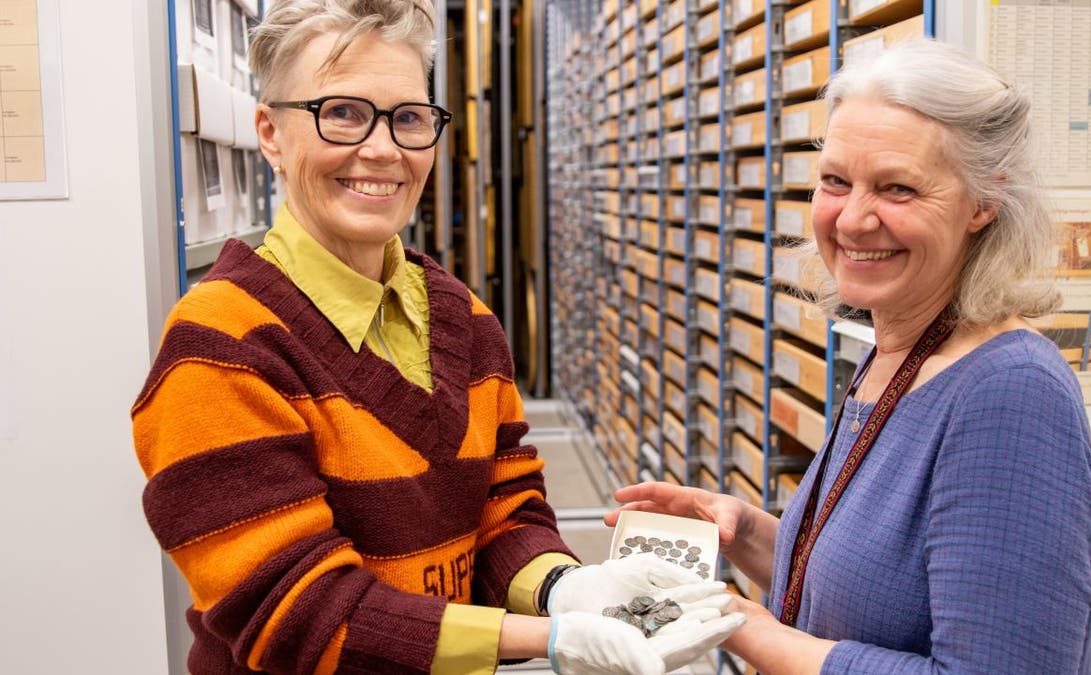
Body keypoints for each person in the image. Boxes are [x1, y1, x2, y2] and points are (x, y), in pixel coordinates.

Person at [132, 1, 740, 673]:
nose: (383, 148)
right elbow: (300, 614)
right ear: (270, 133)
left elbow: (504, 510)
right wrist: (548, 636)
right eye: (342, 112)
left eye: (409, 118)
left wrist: (563, 584)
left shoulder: (462, 317)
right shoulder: (219, 350)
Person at [606, 38, 1091, 674]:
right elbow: (880, 594)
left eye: (897, 188)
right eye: (836, 182)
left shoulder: (1009, 395)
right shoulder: (899, 351)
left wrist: (743, 628)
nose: (852, 220)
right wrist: (751, 535)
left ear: (984, 202)